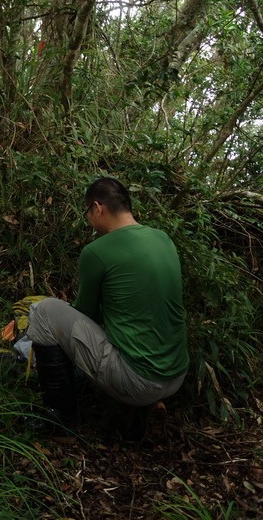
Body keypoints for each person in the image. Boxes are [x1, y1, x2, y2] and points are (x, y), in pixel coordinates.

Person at [27, 176, 189, 436]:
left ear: (98, 207)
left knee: (45, 312)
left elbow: (85, 313)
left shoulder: (97, 251)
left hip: (138, 381)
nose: (89, 219)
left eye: (87, 212)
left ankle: (58, 419)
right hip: (177, 374)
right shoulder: (163, 239)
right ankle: (144, 404)